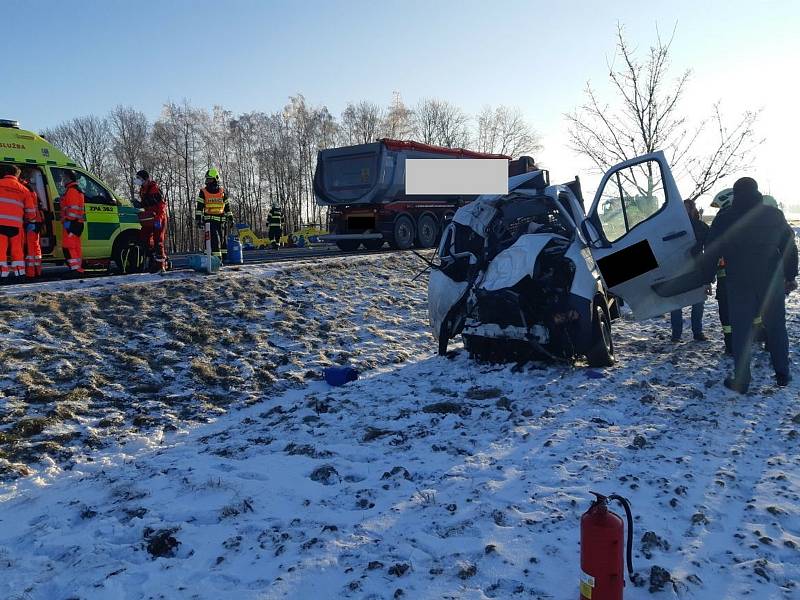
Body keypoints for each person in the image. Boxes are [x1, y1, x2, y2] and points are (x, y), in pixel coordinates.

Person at [703, 177, 798, 392]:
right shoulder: (773, 215)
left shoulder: (726, 217)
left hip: (739, 279)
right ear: (757, 193)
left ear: (735, 195)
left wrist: (707, 278)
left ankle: (742, 379)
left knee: (741, 331)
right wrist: (790, 275)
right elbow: (789, 245)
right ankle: (782, 374)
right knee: (776, 327)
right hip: (770, 278)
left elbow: (711, 250)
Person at [670, 199, 710, 342]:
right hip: (677, 268)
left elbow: (711, 246)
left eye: (688, 208)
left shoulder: (700, 226)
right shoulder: (672, 228)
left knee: (698, 301)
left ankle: (697, 332)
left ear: (693, 210)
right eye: (683, 208)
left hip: (697, 267)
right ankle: (676, 334)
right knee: (676, 303)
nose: (686, 211)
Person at [195, 168, 233, 263]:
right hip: (209, 221)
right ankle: (217, 260)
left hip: (221, 221)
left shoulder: (222, 192)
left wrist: (231, 218)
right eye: (207, 179)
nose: (207, 182)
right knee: (215, 240)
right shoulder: (203, 192)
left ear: (215, 179)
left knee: (223, 240)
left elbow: (227, 207)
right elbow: (199, 208)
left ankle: (224, 258)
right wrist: (198, 220)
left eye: (210, 179)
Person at [135, 170, 168, 272]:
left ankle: (161, 265)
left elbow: (162, 205)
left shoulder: (155, 189)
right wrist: (138, 204)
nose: (137, 180)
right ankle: (152, 260)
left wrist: (159, 218)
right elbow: (146, 204)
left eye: (139, 178)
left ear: (145, 179)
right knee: (144, 238)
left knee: (158, 240)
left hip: (159, 217)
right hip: (148, 218)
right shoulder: (142, 190)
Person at [0, 164, 29, 281]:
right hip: (16, 226)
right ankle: (20, 274)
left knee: (1, 250)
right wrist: (31, 220)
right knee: (17, 251)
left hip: (0, 224)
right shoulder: (24, 189)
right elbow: (30, 211)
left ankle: (3, 275)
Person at [60, 169, 85, 275]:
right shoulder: (75, 190)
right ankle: (77, 268)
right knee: (75, 246)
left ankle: (75, 269)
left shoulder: (72, 191)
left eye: (63, 177)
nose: (62, 180)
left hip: (72, 223)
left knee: (68, 246)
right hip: (76, 223)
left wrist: (67, 221)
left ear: (68, 178)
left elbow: (72, 210)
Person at [20, 168, 44, 279]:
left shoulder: (23, 188)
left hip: (31, 221)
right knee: (35, 247)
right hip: (37, 221)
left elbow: (27, 208)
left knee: (30, 248)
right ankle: (37, 271)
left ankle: (30, 273)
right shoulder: (31, 188)